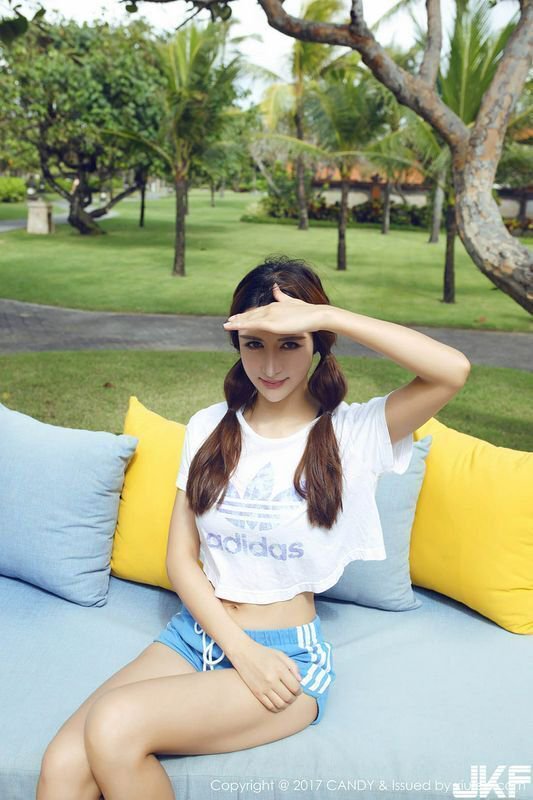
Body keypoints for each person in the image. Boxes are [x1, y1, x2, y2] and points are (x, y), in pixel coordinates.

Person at [37, 256, 471, 800]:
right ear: (236, 343)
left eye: (289, 344)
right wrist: (239, 649)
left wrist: (328, 315)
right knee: (61, 766)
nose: (269, 364)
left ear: (317, 343)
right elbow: (180, 559)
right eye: (254, 344)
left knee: (114, 724)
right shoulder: (208, 427)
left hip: (287, 659)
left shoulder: (352, 432)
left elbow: (452, 370)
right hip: (199, 636)